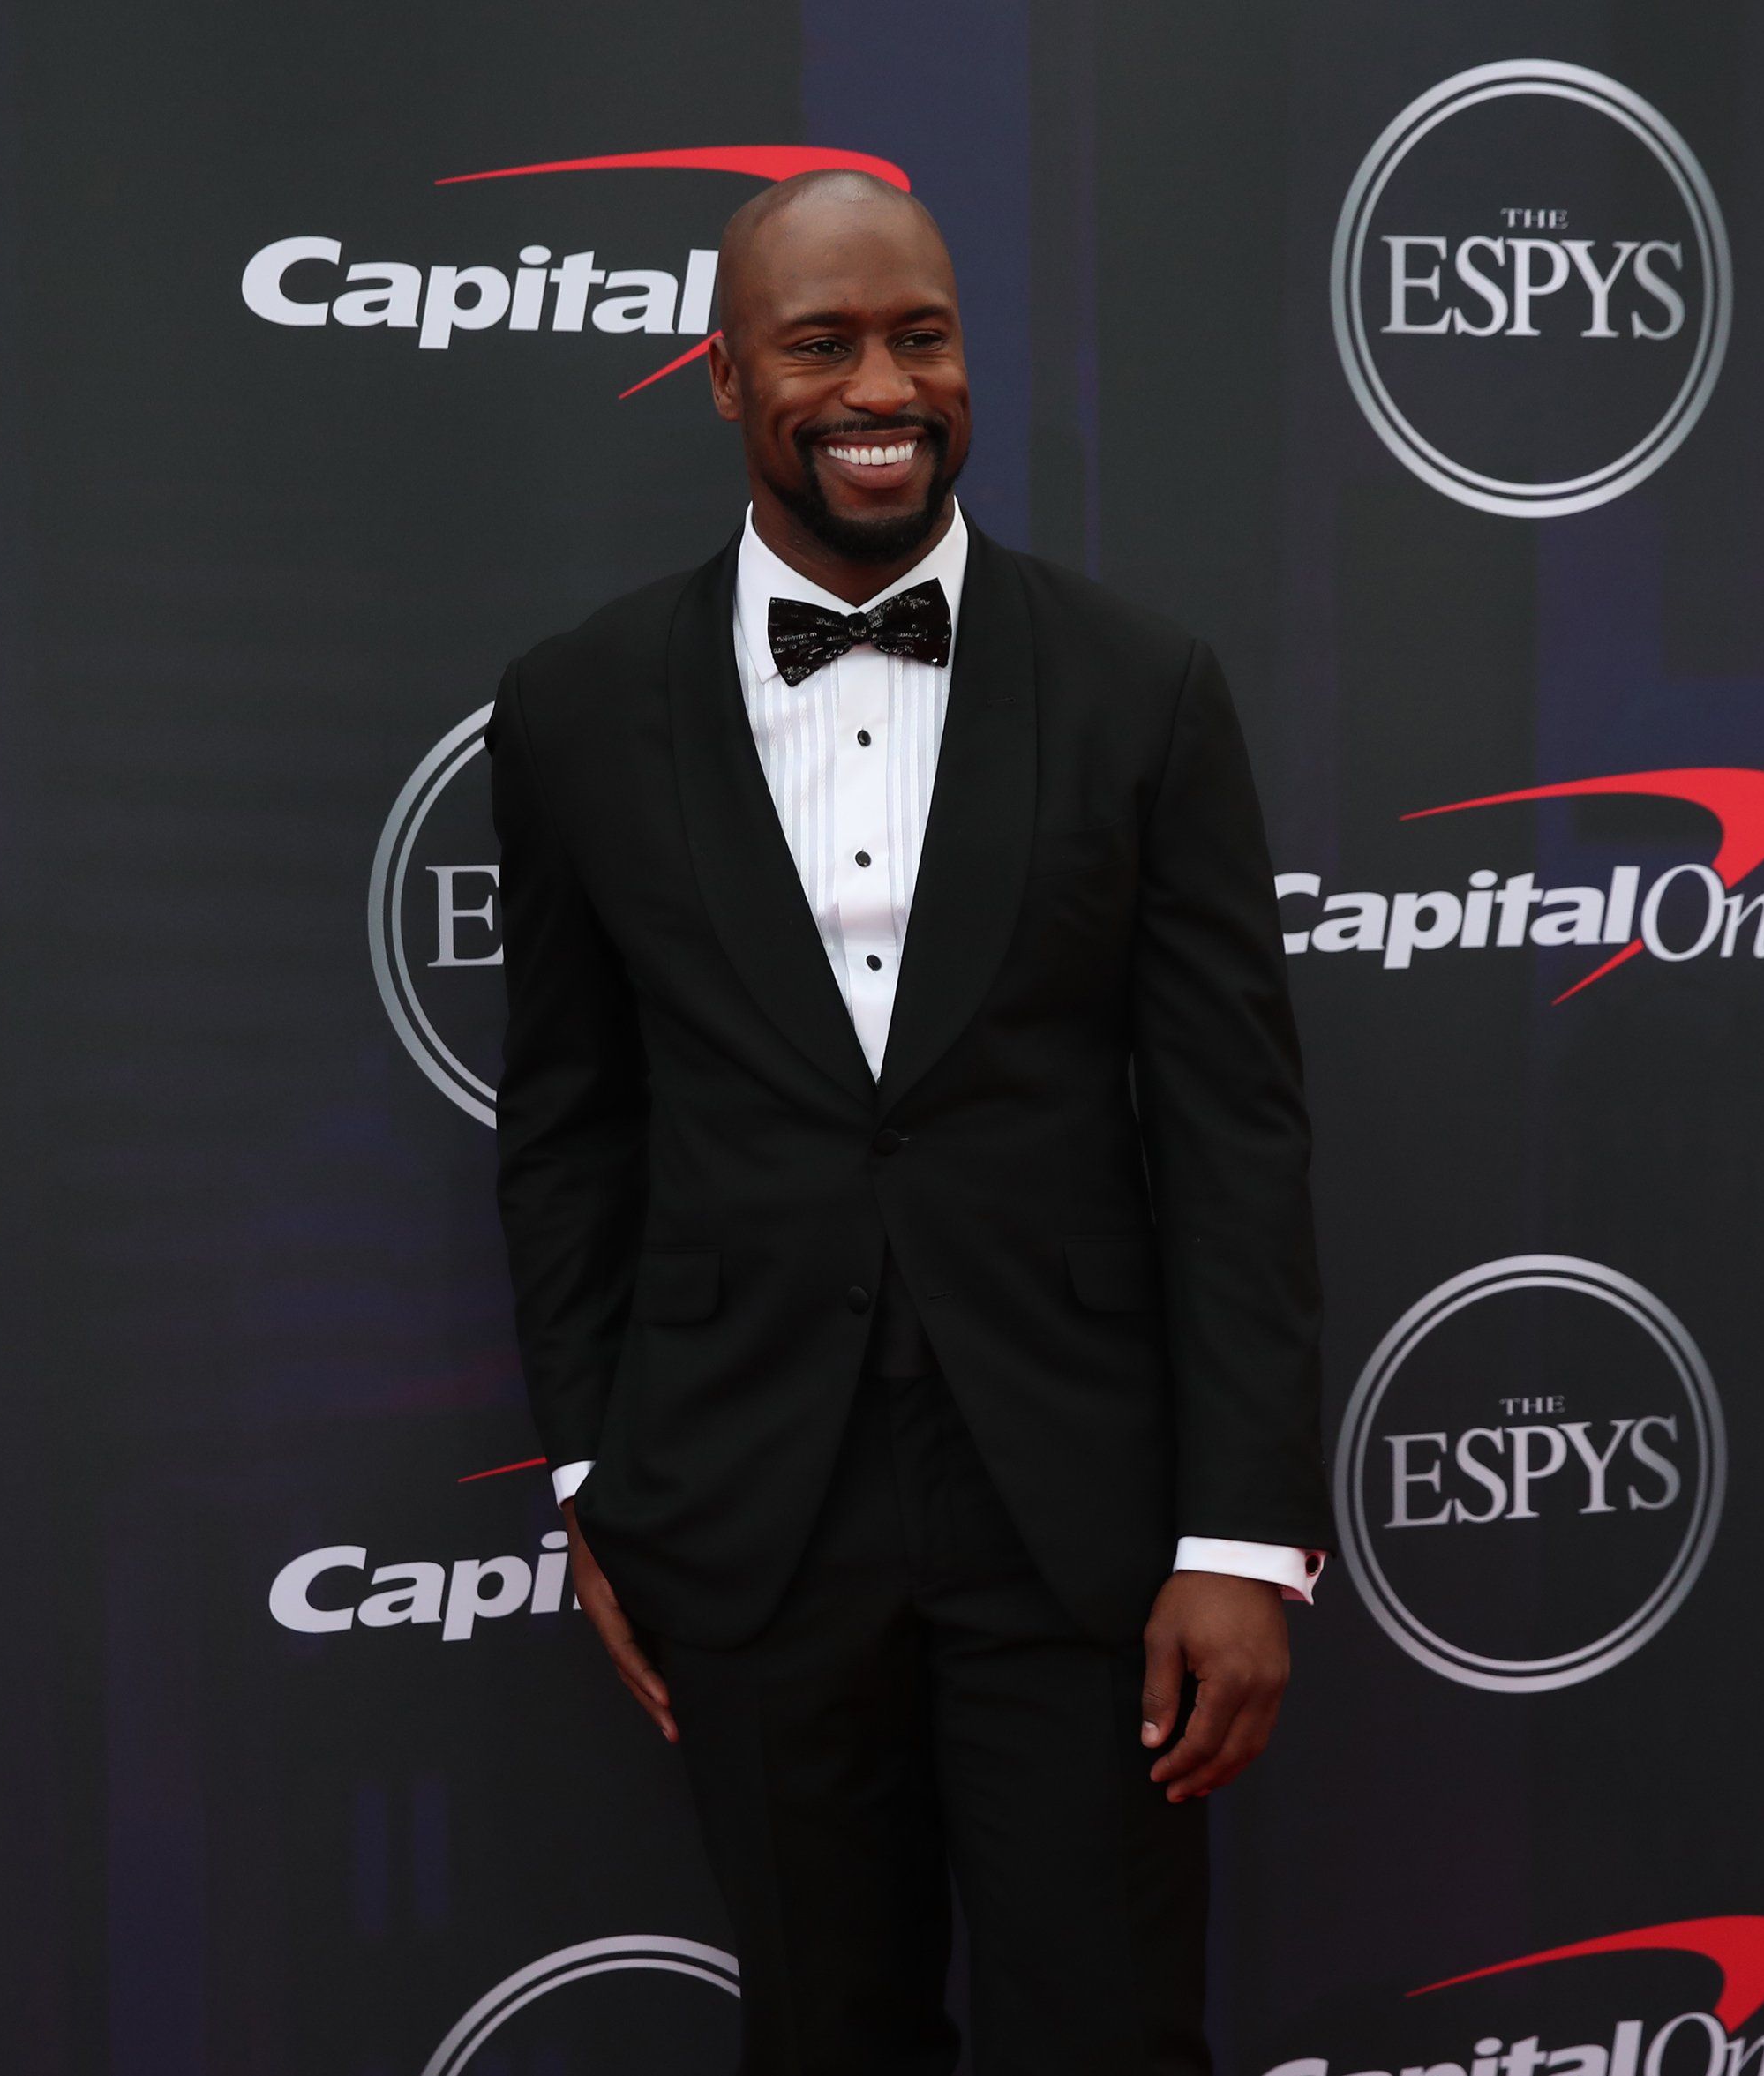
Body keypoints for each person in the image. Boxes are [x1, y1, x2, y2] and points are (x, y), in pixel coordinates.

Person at [487, 169, 1329, 2075]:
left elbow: (1235, 1132)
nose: (885, 382)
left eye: (924, 334)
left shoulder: (1146, 691)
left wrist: (1248, 1537)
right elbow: (565, 1122)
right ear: (723, 378)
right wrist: (587, 1474)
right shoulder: (572, 707)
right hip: (750, 1511)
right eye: (824, 340)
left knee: (1108, 2035)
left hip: (1085, 1519)